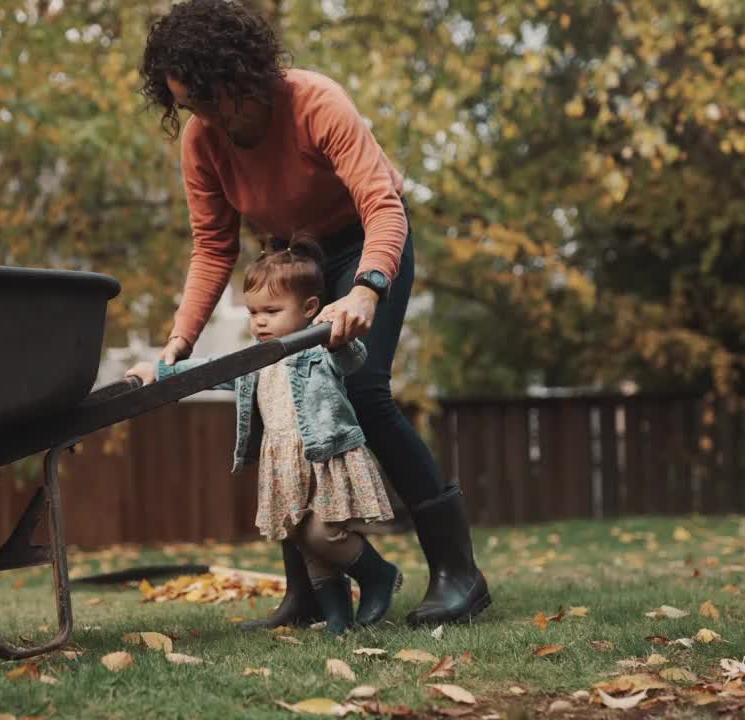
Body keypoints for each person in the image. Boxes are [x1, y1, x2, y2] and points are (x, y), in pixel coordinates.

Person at [137, 0, 490, 628]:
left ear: (240, 73)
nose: (203, 117)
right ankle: (306, 592)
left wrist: (366, 288)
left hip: (367, 242)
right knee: (283, 403)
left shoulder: (315, 102)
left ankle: (458, 574)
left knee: (362, 388)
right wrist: (178, 341)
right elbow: (213, 247)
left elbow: (383, 205)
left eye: (210, 100)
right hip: (294, 261)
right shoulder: (203, 143)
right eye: (188, 106)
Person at [127, 236, 401, 634]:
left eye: (271, 311)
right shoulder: (255, 360)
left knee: (325, 534)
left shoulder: (320, 348)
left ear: (309, 309)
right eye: (253, 312)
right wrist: (161, 371)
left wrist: (339, 336)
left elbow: (353, 358)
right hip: (284, 463)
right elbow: (212, 369)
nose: (259, 321)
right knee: (303, 540)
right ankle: (339, 620)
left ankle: (378, 575)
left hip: (324, 456)